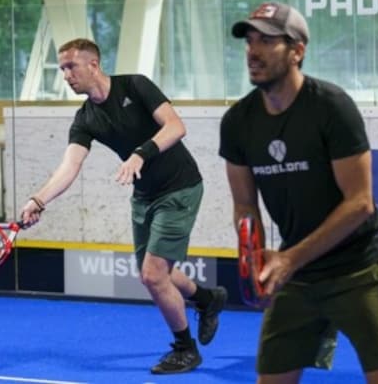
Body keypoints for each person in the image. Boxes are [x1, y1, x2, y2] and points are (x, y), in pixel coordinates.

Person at [219, 2, 378, 384]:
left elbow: (359, 203)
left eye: (267, 41)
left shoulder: (331, 108)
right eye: (249, 41)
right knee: (271, 378)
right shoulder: (238, 122)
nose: (253, 52)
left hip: (358, 268)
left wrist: (289, 259)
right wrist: (254, 257)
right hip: (298, 274)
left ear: (297, 51)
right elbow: (244, 203)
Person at [19, 38, 227, 375]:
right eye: (62, 69)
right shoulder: (85, 118)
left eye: (71, 67)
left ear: (94, 65)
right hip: (145, 196)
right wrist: (38, 199)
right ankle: (206, 299)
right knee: (155, 272)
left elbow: (176, 126)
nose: (66, 76)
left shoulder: (135, 85)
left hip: (180, 187)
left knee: (152, 274)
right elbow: (69, 167)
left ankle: (185, 349)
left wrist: (139, 154)